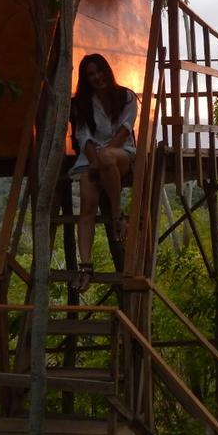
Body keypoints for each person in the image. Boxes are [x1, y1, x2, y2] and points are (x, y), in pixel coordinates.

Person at [69, 53, 137, 292]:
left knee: (108, 158)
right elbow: (83, 135)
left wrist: (103, 156)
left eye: (100, 71)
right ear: (85, 79)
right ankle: (85, 267)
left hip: (121, 153)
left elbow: (125, 131)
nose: (97, 77)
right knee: (87, 206)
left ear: (108, 71)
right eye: (91, 74)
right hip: (91, 157)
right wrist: (94, 160)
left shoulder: (126, 97)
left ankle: (117, 215)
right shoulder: (81, 104)